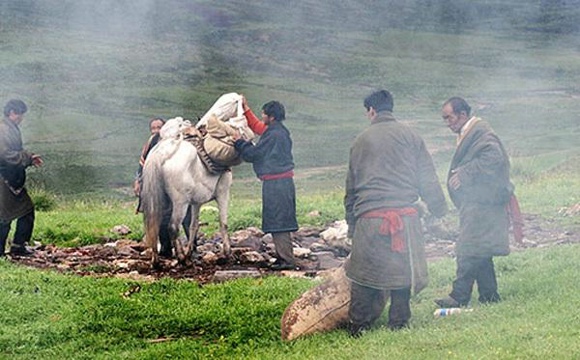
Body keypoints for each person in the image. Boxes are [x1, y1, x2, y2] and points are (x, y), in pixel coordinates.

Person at [344, 89, 448, 336]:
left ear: (371, 111)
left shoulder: (360, 140)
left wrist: (352, 224)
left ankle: (358, 325)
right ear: (390, 108)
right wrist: (439, 208)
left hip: (369, 219)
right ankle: (399, 323)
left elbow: (351, 188)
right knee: (403, 272)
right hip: (405, 217)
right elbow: (428, 178)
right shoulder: (411, 135)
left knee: (363, 276)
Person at [435, 97, 519, 308]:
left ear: (462, 115)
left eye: (450, 117)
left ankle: (459, 296)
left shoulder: (481, 133)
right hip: (479, 201)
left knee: (467, 247)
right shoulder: (471, 133)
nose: (447, 123)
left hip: (483, 203)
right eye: (445, 119)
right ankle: (489, 295)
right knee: (480, 249)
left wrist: (465, 172)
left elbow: (494, 158)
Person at [233, 99, 298, 271]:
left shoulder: (274, 135)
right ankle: (282, 256)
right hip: (279, 183)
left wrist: (239, 142)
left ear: (272, 117)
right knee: (279, 219)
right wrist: (246, 110)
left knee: (280, 221)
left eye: (264, 114)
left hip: (277, 184)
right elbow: (257, 127)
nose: (262, 117)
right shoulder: (277, 132)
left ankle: (287, 260)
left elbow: (254, 154)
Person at [134, 117, 191, 258]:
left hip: (178, 183)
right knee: (162, 215)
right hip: (158, 184)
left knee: (185, 213)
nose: (156, 131)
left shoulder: (178, 141)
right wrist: (138, 180)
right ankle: (166, 247)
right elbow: (143, 163)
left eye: (159, 127)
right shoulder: (152, 142)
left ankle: (192, 244)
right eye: (153, 128)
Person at [0, 99, 44, 257]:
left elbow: (14, 152)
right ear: (11, 112)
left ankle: (18, 246)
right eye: (19, 114)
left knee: (26, 210)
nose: (21, 118)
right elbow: (5, 156)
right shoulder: (3, 130)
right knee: (4, 216)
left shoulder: (11, 128)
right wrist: (27, 158)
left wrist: (30, 157)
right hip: (4, 179)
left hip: (11, 179)